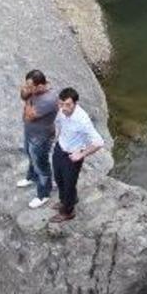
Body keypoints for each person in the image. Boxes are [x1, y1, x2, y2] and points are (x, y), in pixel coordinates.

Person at [50, 87, 105, 222]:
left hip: (73, 156)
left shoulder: (82, 120)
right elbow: (58, 123)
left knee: (69, 184)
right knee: (58, 178)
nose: (64, 108)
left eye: (68, 105)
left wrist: (81, 154)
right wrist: (56, 136)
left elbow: (99, 142)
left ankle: (68, 212)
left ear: (75, 104)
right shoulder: (61, 110)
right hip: (60, 148)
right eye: (61, 104)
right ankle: (66, 200)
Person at [16, 70, 59, 209]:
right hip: (31, 133)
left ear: (40, 86)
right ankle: (32, 177)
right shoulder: (35, 91)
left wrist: (28, 99)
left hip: (41, 138)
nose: (27, 88)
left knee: (41, 165)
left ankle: (44, 194)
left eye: (30, 86)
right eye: (27, 84)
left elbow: (29, 116)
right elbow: (23, 95)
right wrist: (27, 93)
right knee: (30, 156)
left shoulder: (49, 99)